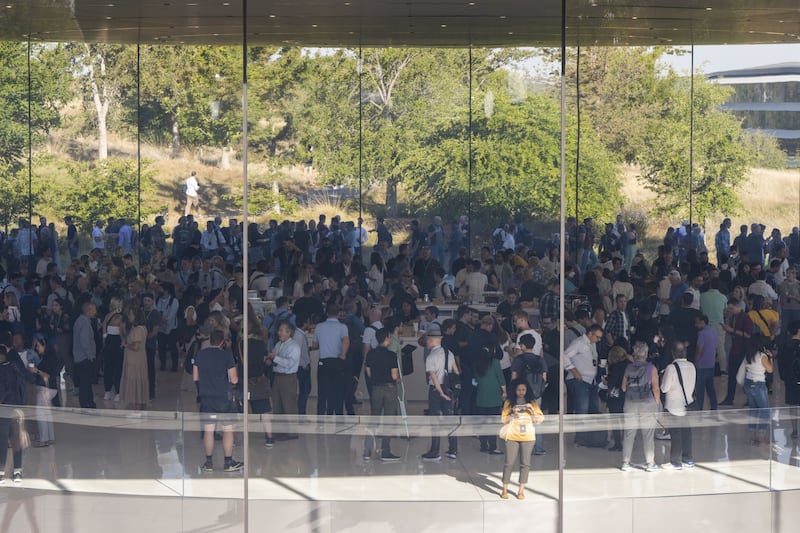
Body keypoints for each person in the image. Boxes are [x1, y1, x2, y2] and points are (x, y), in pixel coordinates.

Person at [193, 329, 244, 472]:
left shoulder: (200, 355)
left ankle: (208, 462)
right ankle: (228, 462)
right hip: (224, 397)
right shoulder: (226, 356)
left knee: (209, 431)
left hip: (207, 397)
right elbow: (234, 379)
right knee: (228, 430)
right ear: (223, 341)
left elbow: (195, 377)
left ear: (210, 340)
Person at [499, 378, 544, 500]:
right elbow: (503, 419)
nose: (521, 392)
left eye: (523, 389)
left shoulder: (532, 402)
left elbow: (539, 419)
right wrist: (512, 414)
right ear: (514, 390)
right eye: (518, 389)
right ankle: (504, 489)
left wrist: (532, 411)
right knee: (509, 463)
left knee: (525, 464)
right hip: (512, 435)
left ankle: (521, 490)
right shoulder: (509, 402)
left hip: (528, 436)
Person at [620, 342, 661, 472]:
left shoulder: (628, 368)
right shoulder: (651, 368)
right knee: (648, 434)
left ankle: (625, 463)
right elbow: (656, 388)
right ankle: (650, 463)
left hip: (630, 403)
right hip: (647, 403)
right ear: (646, 354)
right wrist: (657, 404)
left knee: (629, 434)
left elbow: (623, 387)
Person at [363, 328, 401, 462]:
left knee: (373, 419)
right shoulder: (391, 355)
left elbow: (368, 372)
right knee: (388, 420)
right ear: (386, 338)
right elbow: (394, 375)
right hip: (390, 389)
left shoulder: (371, 354)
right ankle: (385, 451)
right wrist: (398, 380)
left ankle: (367, 451)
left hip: (376, 389)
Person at [422, 328, 460, 461]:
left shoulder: (431, 356)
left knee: (435, 421)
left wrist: (440, 392)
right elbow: (456, 371)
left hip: (436, 391)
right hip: (449, 390)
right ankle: (453, 449)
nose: (426, 341)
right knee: (450, 419)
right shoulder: (449, 353)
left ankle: (435, 451)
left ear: (432, 340)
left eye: (427, 339)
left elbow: (433, 377)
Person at [661, 341, 696, 470]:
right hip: (688, 403)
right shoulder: (692, 366)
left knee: (676, 433)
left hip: (673, 405)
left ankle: (675, 462)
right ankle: (688, 459)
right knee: (687, 432)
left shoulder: (671, 368)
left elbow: (665, 388)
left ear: (672, 353)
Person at [0, 344, 32, 483]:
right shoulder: (14, 367)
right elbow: (25, 379)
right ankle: (17, 471)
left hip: (2, 410)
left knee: (1, 441)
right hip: (16, 408)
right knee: (16, 440)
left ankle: (1, 473)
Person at [313, 304, 349, 415]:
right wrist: (343, 354)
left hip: (323, 362)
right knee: (338, 391)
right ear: (338, 314)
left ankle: (320, 416)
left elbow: (315, 345)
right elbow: (346, 341)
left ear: (327, 313)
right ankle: (337, 414)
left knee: (323, 392)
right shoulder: (342, 327)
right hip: (337, 361)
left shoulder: (319, 326)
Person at [474, 335, 507, 455]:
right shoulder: (495, 362)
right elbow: (500, 378)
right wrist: (504, 392)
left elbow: (476, 379)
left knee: (483, 422)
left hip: (481, 397)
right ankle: (493, 447)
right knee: (493, 423)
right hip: (494, 396)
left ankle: (483, 445)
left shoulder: (477, 363)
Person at [739, 336, 773, 445]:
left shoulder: (748, 355)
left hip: (748, 383)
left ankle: (752, 437)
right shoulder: (762, 356)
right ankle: (761, 436)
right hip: (759, 384)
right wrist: (770, 358)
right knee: (765, 410)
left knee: (753, 410)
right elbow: (770, 369)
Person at [31, 333, 59, 447]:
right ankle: (50, 437)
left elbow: (48, 375)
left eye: (38, 346)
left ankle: (43, 439)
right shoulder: (50, 357)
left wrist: (36, 371)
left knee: (41, 414)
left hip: (45, 389)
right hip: (50, 389)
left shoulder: (48, 359)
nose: (37, 348)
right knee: (47, 414)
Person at [119, 306, 149, 410]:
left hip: (134, 360)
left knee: (134, 381)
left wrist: (126, 345)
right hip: (139, 359)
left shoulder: (137, 330)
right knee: (139, 381)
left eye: (131, 314)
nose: (129, 316)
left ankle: (136, 404)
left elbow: (136, 347)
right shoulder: (142, 328)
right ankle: (138, 402)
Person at [73, 301, 98, 408]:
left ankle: (89, 402)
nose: (95, 312)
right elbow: (85, 342)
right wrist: (90, 356)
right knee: (85, 384)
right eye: (94, 310)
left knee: (86, 383)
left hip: (80, 357)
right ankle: (86, 404)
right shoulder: (85, 323)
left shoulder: (80, 321)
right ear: (88, 311)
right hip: (84, 358)